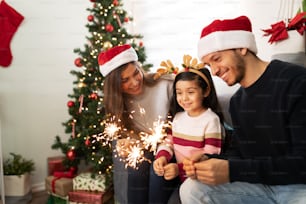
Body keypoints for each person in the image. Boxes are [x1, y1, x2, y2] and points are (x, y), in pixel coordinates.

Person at [180, 15, 306, 204]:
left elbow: (302, 163)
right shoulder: (237, 102)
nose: (213, 71)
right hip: (260, 186)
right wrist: (209, 159)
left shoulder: (295, 81)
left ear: (242, 47)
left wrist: (232, 170)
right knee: (192, 188)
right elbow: (240, 152)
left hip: (299, 186)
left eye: (217, 59)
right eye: (208, 65)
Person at [98, 44, 177, 204]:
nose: (134, 82)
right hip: (145, 147)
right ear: (114, 85)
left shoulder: (164, 83)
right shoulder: (117, 102)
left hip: (172, 144)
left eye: (136, 73)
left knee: (158, 173)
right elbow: (125, 136)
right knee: (136, 169)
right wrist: (125, 143)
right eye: (125, 80)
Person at [153, 56, 225, 204]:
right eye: (179, 92)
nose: (184, 98)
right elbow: (168, 142)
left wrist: (179, 169)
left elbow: (210, 156)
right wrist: (162, 156)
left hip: (200, 181)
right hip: (179, 176)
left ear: (205, 92)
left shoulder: (211, 120)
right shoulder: (178, 117)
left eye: (190, 92)